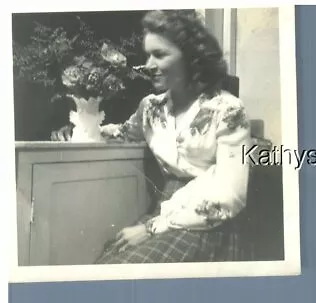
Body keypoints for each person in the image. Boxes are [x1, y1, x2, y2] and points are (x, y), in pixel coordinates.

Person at [53, 9, 255, 263]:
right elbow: (119, 133)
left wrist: (151, 228)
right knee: (109, 263)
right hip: (163, 210)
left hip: (209, 223)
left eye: (159, 55)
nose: (148, 66)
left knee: (130, 272)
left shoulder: (228, 110)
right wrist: (78, 127)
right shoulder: (150, 107)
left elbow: (229, 198)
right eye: (147, 55)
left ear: (192, 57)